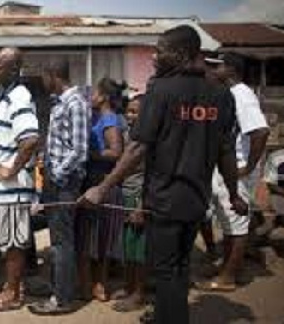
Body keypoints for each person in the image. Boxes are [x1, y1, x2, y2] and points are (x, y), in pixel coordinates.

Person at [78, 25, 248, 324]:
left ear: (181, 54)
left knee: (167, 270)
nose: (155, 57)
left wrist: (102, 188)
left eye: (161, 50)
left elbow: (137, 148)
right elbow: (225, 152)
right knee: (180, 267)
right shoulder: (221, 94)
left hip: (165, 198)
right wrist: (234, 193)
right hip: (197, 199)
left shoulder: (161, 90)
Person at [198, 52, 269, 292]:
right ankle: (226, 268)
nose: (211, 71)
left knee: (236, 224)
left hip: (237, 168)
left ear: (230, 70)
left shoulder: (242, 95)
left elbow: (260, 131)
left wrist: (248, 167)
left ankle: (228, 277)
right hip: (229, 166)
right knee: (228, 222)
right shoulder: (231, 94)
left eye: (216, 67)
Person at [28, 61, 90, 315]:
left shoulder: (75, 104)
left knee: (62, 242)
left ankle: (63, 299)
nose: (42, 82)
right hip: (55, 182)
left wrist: (57, 174)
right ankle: (58, 287)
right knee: (56, 240)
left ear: (52, 75)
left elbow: (79, 150)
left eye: (43, 76)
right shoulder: (59, 103)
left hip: (65, 184)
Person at [0, 47, 39, 312]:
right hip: (5, 189)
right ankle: (12, 287)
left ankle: (13, 294)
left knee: (14, 244)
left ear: (14, 70)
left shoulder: (19, 96)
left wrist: (12, 170)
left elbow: (30, 139)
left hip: (13, 188)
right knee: (8, 242)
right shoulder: (6, 96)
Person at [78, 77, 126, 303]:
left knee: (100, 238)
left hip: (103, 183)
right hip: (95, 181)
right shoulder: (99, 117)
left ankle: (99, 284)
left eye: (94, 93)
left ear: (104, 97)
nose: (90, 97)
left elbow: (116, 152)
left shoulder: (109, 119)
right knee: (93, 238)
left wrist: (89, 154)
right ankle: (92, 284)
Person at [112, 93, 147, 312]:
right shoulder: (127, 135)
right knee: (127, 248)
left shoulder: (147, 141)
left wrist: (140, 206)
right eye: (129, 111)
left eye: (135, 111)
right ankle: (129, 285)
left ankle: (139, 293)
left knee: (139, 250)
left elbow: (152, 176)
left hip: (138, 196)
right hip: (124, 195)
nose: (130, 115)